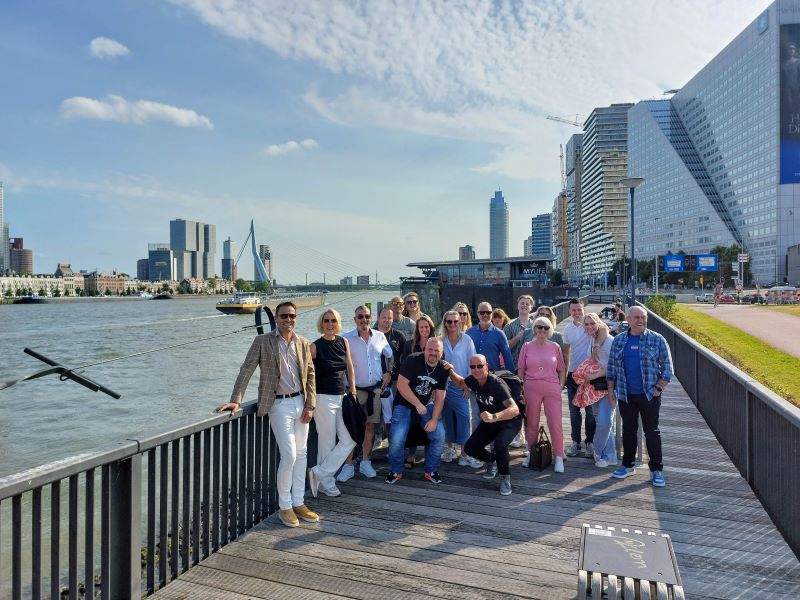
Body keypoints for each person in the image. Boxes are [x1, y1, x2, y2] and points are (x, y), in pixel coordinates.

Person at [218, 301, 318, 528]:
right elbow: (246, 369)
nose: (288, 320)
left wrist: (310, 404)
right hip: (278, 405)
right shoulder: (262, 341)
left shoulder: (302, 342)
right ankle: (285, 506)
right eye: (284, 316)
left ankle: (298, 502)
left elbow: (311, 374)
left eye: (292, 316)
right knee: (290, 455)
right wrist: (236, 400)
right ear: (275, 317)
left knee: (302, 454)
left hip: (301, 402)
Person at [607, 306, 674, 487]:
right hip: (625, 395)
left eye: (643, 317)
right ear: (628, 319)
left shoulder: (657, 339)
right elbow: (611, 369)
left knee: (652, 432)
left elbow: (668, 369)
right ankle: (628, 465)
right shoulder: (619, 340)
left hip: (649, 394)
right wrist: (611, 392)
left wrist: (658, 389)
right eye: (636, 317)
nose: (640, 320)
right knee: (628, 431)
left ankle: (656, 469)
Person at [453, 354, 521, 495]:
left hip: (509, 421)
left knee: (500, 444)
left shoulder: (496, 384)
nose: (476, 369)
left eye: (480, 366)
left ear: (487, 366)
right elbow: (461, 383)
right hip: (491, 422)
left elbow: (514, 410)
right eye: (472, 367)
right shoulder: (473, 380)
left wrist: (495, 416)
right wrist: (449, 370)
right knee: (470, 447)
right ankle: (493, 461)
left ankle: (504, 477)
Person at [307, 308, 357, 498]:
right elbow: (304, 372)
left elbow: (350, 367)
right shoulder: (314, 346)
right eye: (326, 321)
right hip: (323, 398)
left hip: (342, 396)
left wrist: (352, 388)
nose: (330, 324)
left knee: (349, 440)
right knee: (326, 441)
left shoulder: (343, 342)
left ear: (338, 323)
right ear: (322, 324)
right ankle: (326, 483)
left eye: (333, 321)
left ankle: (319, 473)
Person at [339, 306, 392, 481]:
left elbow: (389, 355)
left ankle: (365, 461)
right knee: (351, 428)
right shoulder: (345, 338)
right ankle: (348, 465)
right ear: (355, 319)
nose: (364, 320)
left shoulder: (380, 336)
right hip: (354, 392)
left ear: (371, 318)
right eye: (360, 317)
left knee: (371, 426)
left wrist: (389, 372)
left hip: (374, 391)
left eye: (367, 316)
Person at [386, 338, 448, 485]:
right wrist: (418, 404)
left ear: (442, 353)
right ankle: (396, 470)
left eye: (437, 351)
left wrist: (434, 419)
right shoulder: (412, 360)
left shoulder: (443, 368)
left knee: (439, 435)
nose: (433, 353)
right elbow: (401, 385)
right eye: (430, 350)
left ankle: (431, 470)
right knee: (396, 437)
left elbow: (440, 396)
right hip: (404, 403)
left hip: (426, 404)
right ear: (425, 349)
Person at [518, 316, 566, 473]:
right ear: (534, 329)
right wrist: (521, 388)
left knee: (555, 422)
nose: (542, 330)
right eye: (539, 327)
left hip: (552, 387)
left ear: (550, 330)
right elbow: (521, 369)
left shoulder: (555, 347)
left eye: (545, 328)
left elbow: (562, 369)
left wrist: (560, 386)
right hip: (531, 387)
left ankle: (558, 456)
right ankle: (532, 454)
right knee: (532, 422)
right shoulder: (526, 346)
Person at [438, 309, 480, 468]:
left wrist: (469, 386)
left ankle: (464, 453)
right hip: (444, 386)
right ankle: (449, 449)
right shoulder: (441, 340)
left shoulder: (467, 339)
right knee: (446, 418)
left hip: (462, 384)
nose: (453, 324)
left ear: (460, 322)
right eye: (449, 321)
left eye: (456, 321)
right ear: (445, 323)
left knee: (463, 418)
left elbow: (473, 364)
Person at [399, 314, 437, 467]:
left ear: (431, 328)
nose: (424, 329)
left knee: (429, 422)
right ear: (417, 329)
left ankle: (429, 455)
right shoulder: (409, 345)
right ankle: (412, 453)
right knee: (413, 422)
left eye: (426, 327)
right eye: (421, 327)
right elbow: (403, 366)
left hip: (430, 389)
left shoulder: (436, 343)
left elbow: (441, 366)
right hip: (412, 389)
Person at [581, 312, 616, 468]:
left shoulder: (608, 340)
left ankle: (598, 448)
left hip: (609, 386)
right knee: (601, 421)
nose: (589, 326)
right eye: (586, 324)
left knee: (605, 423)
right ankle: (609, 456)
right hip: (594, 386)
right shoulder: (592, 339)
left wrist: (597, 373)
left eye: (592, 323)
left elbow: (615, 365)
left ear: (598, 323)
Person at [562, 299, 595, 458]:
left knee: (590, 412)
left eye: (579, 309)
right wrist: (565, 374)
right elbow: (566, 352)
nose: (576, 313)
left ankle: (590, 442)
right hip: (573, 375)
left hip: (589, 376)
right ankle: (576, 442)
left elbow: (603, 333)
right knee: (574, 412)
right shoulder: (567, 329)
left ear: (584, 309)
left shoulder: (590, 325)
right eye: (573, 310)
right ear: (569, 311)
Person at [376, 307, 407, 430]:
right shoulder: (371, 335)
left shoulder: (399, 336)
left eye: (389, 318)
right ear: (378, 318)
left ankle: (391, 441)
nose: (386, 320)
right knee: (376, 414)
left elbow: (404, 359)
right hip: (376, 381)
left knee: (393, 412)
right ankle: (377, 439)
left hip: (395, 380)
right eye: (384, 317)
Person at [466, 302, 515, 372]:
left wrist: (511, 379)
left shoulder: (499, 334)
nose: (485, 315)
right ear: (477, 314)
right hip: (472, 375)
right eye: (482, 312)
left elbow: (508, 358)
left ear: (491, 314)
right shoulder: (470, 333)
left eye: (488, 312)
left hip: (493, 376)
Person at [503, 295, 535, 367]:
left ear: (531, 308)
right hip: (514, 365)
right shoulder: (509, 326)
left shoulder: (536, 326)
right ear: (518, 305)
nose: (524, 305)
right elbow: (504, 347)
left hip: (532, 365)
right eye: (522, 303)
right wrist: (517, 338)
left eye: (527, 304)